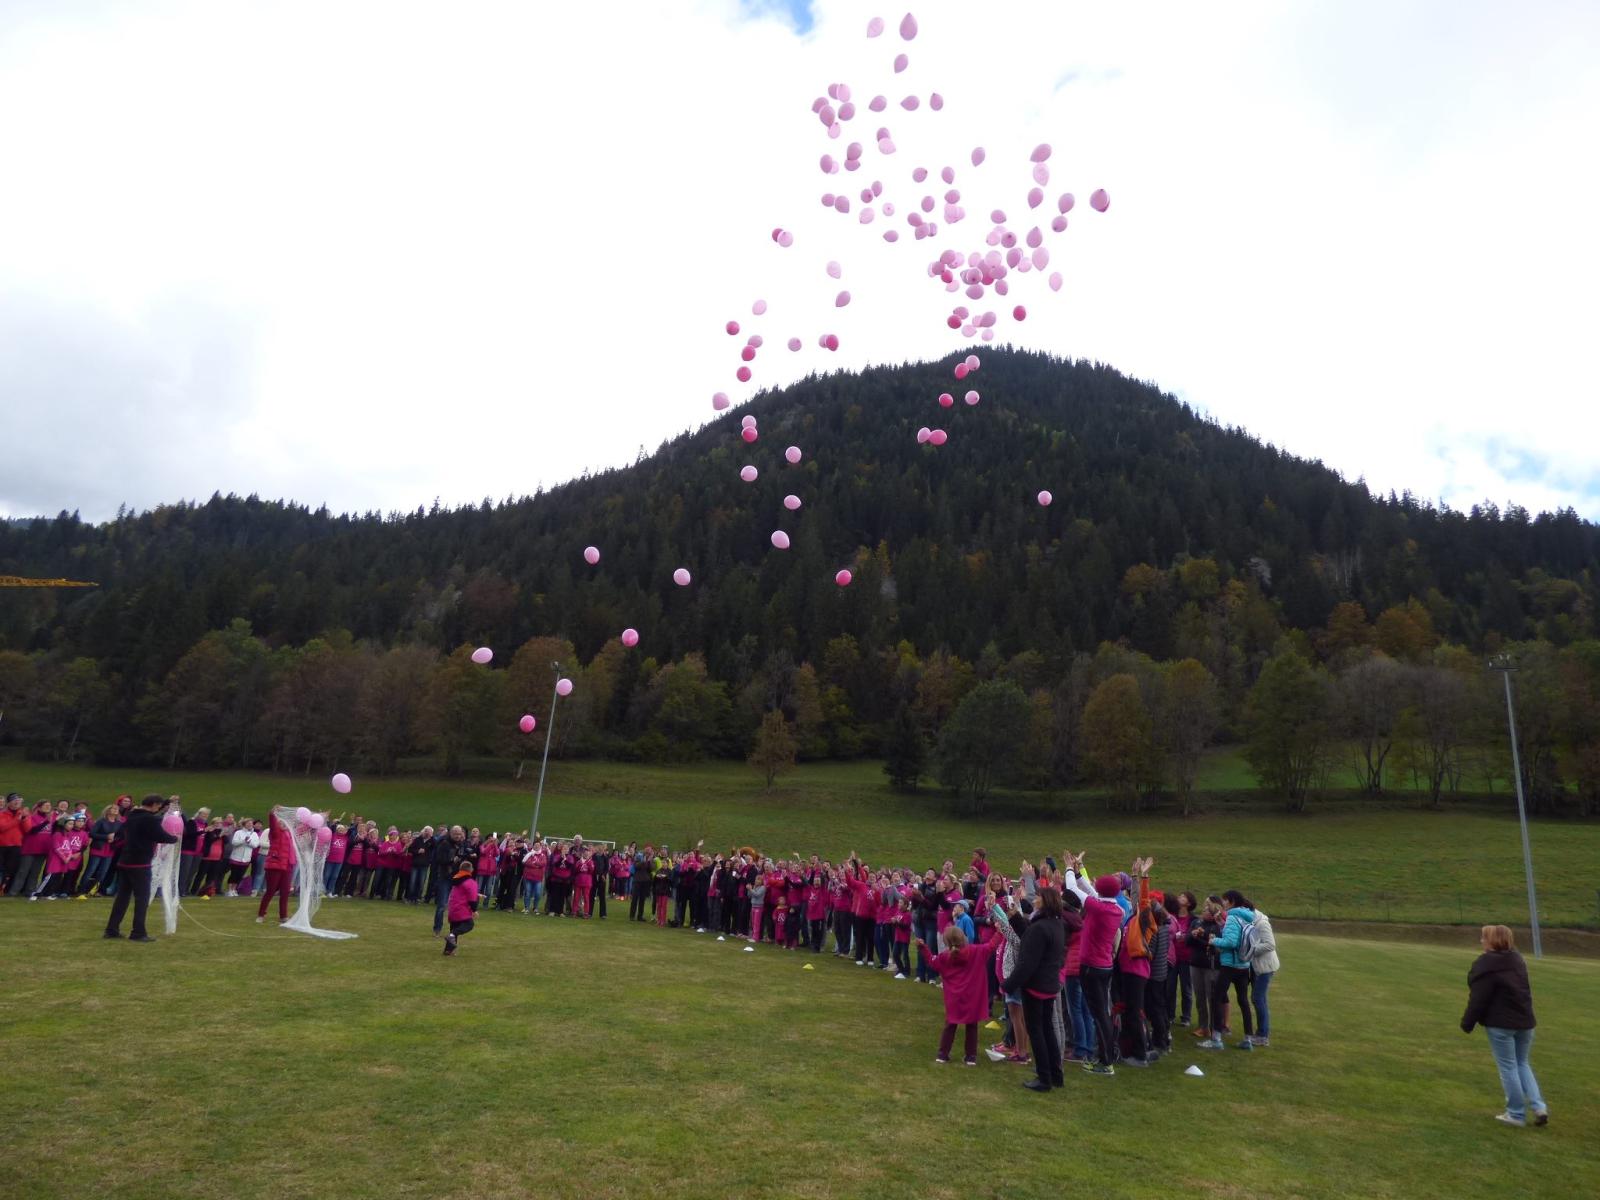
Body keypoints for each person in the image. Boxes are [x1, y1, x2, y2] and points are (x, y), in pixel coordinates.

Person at [1461, 925, 1547, 1127]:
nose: (1481, 941)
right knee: (1522, 1064)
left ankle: (1516, 1114)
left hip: (1501, 1024)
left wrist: (1467, 1022)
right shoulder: (1517, 960)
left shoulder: (1486, 964)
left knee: (1508, 1067)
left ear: (1493, 941)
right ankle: (1539, 1106)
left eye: (1484, 938)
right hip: (1525, 1022)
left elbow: (1479, 998)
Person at [1005, 886, 1066, 1092]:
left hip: (1036, 985)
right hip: (1049, 984)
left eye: (1038, 897)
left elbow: (1027, 962)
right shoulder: (1055, 924)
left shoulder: (1041, 927)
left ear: (1045, 901)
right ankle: (1055, 1074)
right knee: (1046, 1029)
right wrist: (1014, 919)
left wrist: (1009, 984)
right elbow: (1030, 938)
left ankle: (1044, 1077)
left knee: (1037, 1031)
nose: (1035, 900)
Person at [104, 794, 178, 941]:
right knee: (141, 898)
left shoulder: (132, 816)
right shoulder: (150, 819)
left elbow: (120, 834)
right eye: (159, 806)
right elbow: (160, 836)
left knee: (122, 897)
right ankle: (138, 932)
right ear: (154, 805)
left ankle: (111, 929)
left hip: (125, 860)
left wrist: (168, 801)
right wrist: (175, 838)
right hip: (140, 863)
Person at [918, 925, 988, 1066]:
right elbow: (991, 945)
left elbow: (932, 961)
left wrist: (923, 948)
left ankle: (943, 1054)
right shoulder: (976, 951)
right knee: (972, 1025)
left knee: (950, 1024)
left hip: (954, 998)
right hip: (972, 996)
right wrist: (1000, 931)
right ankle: (971, 1057)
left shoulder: (945, 957)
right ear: (963, 938)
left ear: (946, 942)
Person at [1203, 890, 1258, 1050]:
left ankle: (1217, 1038)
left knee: (1217, 998)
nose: (1224, 903)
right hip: (1244, 965)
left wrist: (1214, 940)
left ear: (1232, 902)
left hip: (1229, 965)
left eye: (1225, 900)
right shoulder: (1248, 917)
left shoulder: (1233, 917)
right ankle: (1248, 1038)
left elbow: (1231, 942)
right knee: (1243, 1001)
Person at [256, 810, 297, 924]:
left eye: (286, 823)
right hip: (275, 865)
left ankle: (283, 916)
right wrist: (272, 813)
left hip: (287, 866)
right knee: (270, 891)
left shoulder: (290, 834)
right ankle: (261, 914)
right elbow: (273, 824)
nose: (284, 825)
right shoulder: (275, 833)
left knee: (285, 892)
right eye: (281, 823)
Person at [1248, 906, 1279, 1047]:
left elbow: (1270, 944)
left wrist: (1251, 949)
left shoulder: (1262, 923)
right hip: (1257, 966)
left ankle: (1262, 1035)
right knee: (1261, 999)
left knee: (1257, 998)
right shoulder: (1253, 922)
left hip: (1265, 967)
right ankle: (1262, 1033)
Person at [444, 860, 479, 956]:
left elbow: (462, 892)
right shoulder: (471, 882)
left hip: (452, 907)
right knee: (469, 924)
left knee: (455, 927)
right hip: (461, 908)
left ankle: (448, 950)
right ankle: (451, 937)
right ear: (470, 870)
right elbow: (472, 899)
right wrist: (474, 910)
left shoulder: (457, 878)